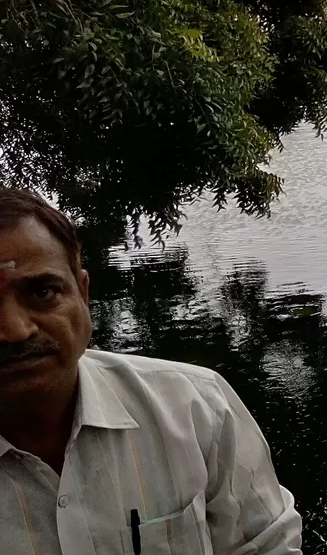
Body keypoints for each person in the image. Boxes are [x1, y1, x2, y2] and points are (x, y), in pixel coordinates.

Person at [0, 188, 302, 554]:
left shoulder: (197, 408)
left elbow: (269, 545)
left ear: (83, 294)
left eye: (43, 292)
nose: (15, 329)